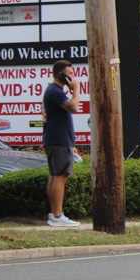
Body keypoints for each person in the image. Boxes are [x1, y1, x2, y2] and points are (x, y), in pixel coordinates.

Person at [42, 59, 81, 227]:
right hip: (58, 140)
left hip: (57, 139)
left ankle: (54, 214)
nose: (73, 77)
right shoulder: (55, 91)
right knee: (60, 176)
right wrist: (76, 90)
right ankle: (57, 216)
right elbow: (73, 107)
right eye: (70, 74)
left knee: (55, 176)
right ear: (61, 75)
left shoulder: (54, 91)